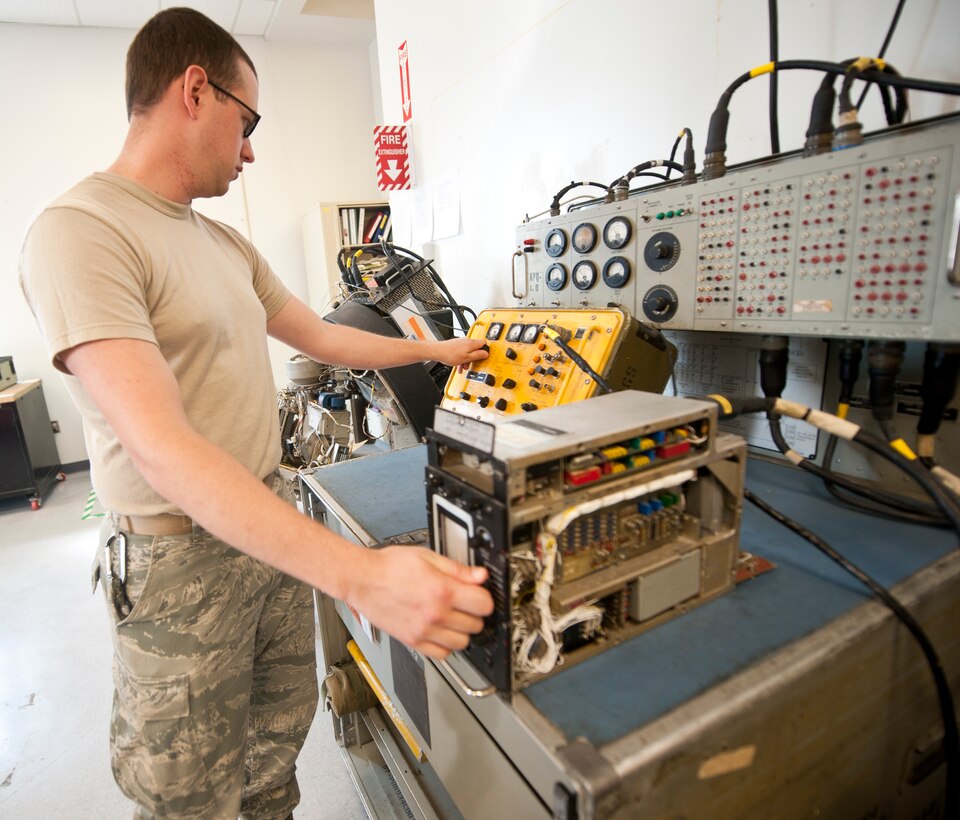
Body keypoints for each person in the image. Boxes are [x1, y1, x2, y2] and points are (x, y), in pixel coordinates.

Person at [19, 7, 493, 819]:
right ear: (195, 90)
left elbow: (326, 337)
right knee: (189, 797)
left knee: (271, 763)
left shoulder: (223, 244)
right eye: (249, 122)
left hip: (267, 527)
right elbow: (162, 447)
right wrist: (362, 576)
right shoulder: (82, 232)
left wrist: (433, 353)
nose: (250, 149)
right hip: (178, 566)